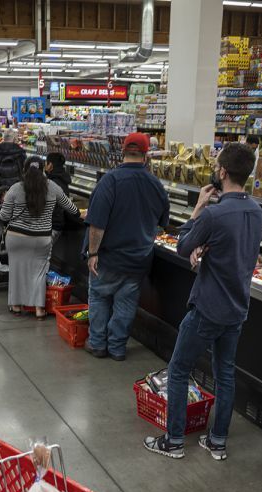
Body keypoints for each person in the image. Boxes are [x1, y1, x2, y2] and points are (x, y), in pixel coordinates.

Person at [143, 143, 262, 461]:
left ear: (222, 172)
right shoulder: (256, 211)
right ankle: (218, 441)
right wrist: (207, 249)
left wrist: (197, 208)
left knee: (179, 368)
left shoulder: (214, 213)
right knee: (225, 372)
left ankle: (174, 441)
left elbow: (182, 246)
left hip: (208, 305)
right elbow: (232, 248)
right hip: (238, 306)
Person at [83, 132, 169, 361]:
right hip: (138, 259)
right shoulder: (156, 184)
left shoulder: (109, 181)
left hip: (108, 258)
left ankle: (98, 344)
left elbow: (97, 226)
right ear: (146, 155)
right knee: (126, 303)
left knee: (100, 298)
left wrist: (92, 252)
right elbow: (162, 223)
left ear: (122, 152)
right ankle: (118, 348)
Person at [0, 157, 80, 319]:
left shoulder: (15, 188)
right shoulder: (53, 187)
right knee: (39, 273)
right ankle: (39, 309)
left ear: (24, 170)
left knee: (16, 270)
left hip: (16, 237)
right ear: (44, 169)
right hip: (41, 238)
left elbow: (4, 215)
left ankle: (16, 305)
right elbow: (72, 209)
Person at [0, 129, 27, 205]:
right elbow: (25, 176)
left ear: (4, 139)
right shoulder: (21, 154)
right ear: (14, 139)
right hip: (17, 195)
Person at [45, 152, 85, 232]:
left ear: (50, 165)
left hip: (53, 225)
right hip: (59, 221)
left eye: (46, 163)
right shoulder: (62, 178)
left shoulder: (53, 183)